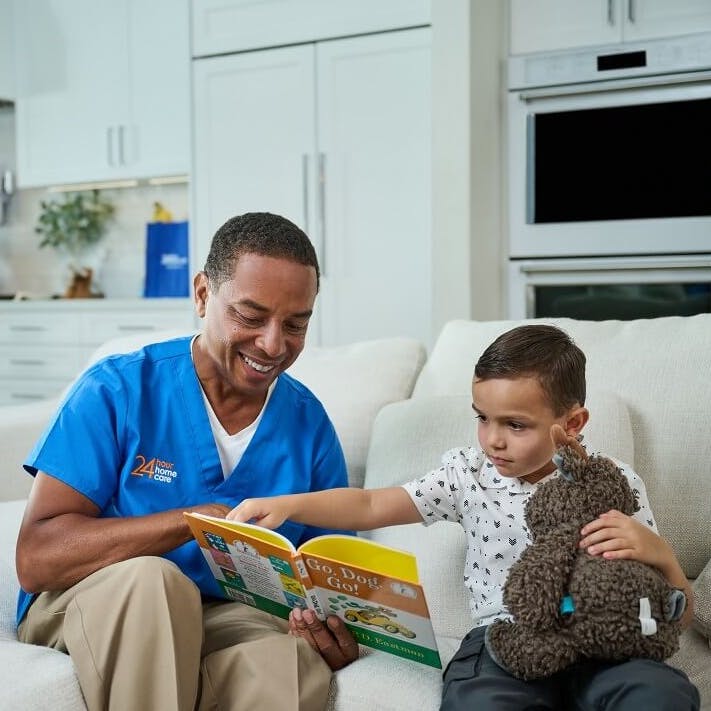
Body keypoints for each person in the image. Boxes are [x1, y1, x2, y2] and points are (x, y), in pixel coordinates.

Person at [228, 324, 700, 711]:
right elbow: (372, 504)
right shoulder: (467, 475)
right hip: (505, 639)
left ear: (573, 424)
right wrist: (291, 503)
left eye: (515, 425)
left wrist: (662, 557)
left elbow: (669, 615)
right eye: (483, 418)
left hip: (604, 641)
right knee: (480, 700)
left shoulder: (613, 482)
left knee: (661, 695)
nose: (492, 440)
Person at [15, 212, 359, 711]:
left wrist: (330, 628)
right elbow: (35, 559)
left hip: (220, 614)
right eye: (250, 315)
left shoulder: (308, 426)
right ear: (202, 294)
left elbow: (331, 576)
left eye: (296, 324)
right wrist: (187, 523)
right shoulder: (117, 389)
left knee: (293, 663)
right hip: (89, 601)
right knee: (156, 582)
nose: (272, 344)